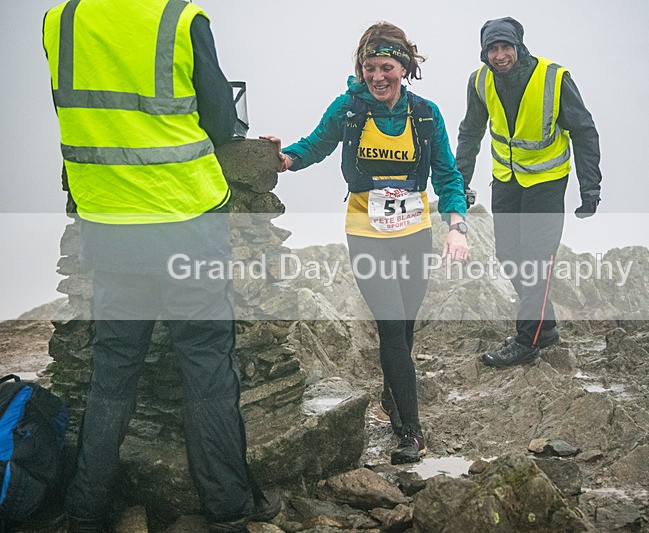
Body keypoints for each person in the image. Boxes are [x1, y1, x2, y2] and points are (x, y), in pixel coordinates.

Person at [42, 1, 279, 531]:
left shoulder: (61, 20)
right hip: (185, 225)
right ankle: (229, 509)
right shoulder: (180, 18)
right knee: (207, 370)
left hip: (107, 227)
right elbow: (220, 119)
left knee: (111, 375)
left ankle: (84, 511)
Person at [262, 21, 468, 464]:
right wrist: (283, 159)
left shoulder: (427, 114)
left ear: (404, 68)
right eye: (369, 68)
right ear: (361, 68)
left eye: (386, 67)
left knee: (405, 330)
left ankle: (395, 395)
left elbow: (449, 175)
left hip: (414, 234)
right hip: (365, 232)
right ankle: (411, 433)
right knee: (392, 326)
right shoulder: (349, 108)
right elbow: (315, 145)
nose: (377, 77)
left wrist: (456, 227)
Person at [456, 16, 602, 368]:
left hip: (547, 183)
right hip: (506, 180)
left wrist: (590, 186)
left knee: (537, 261)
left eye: (506, 47)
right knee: (509, 256)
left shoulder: (554, 78)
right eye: (493, 48)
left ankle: (528, 340)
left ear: (519, 47)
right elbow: (470, 133)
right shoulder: (479, 82)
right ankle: (545, 327)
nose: (501, 55)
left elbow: (584, 131)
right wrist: (460, 182)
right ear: (484, 52)